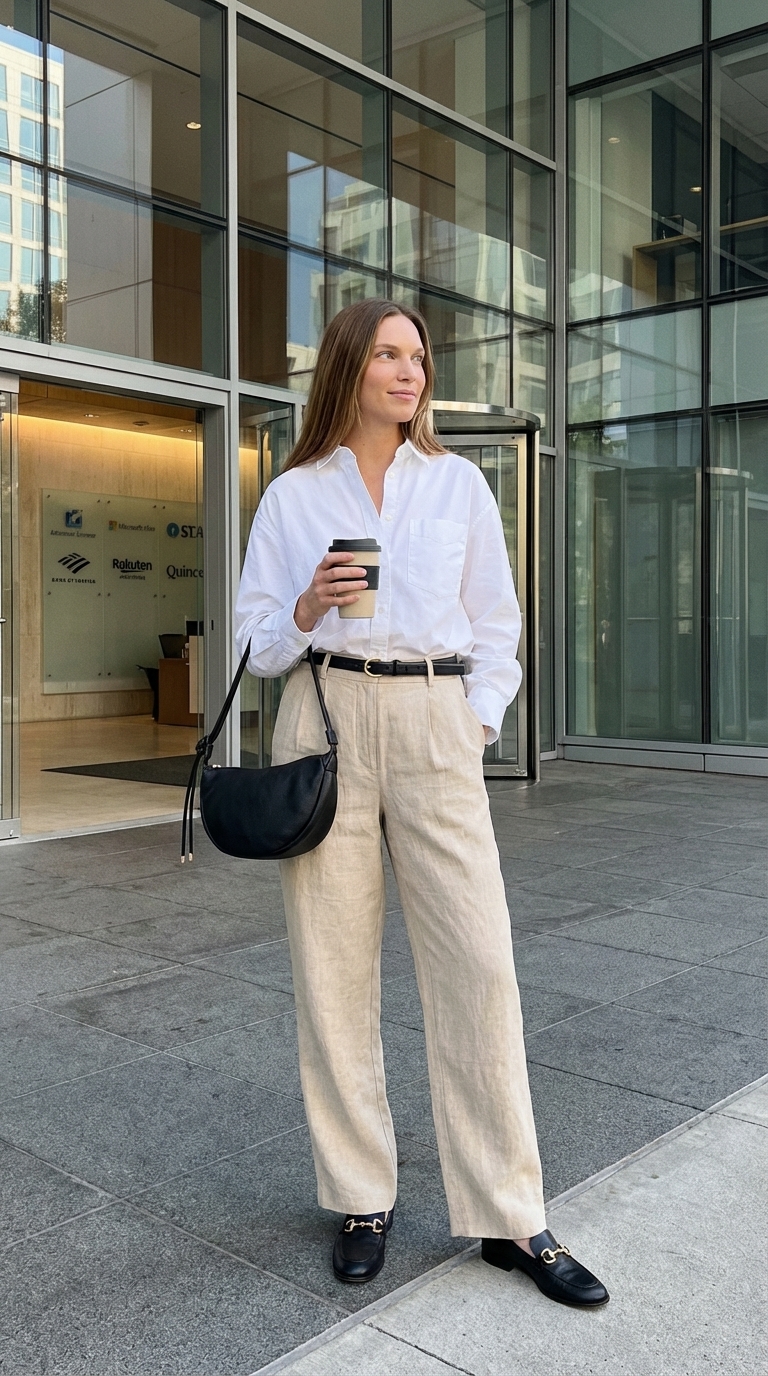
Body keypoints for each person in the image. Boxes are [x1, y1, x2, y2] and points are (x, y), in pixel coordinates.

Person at [235, 299, 608, 1309]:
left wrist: (475, 720)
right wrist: (306, 605)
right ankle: (362, 1196)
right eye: (389, 354)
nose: (410, 371)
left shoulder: (457, 484)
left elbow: (498, 622)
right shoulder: (294, 495)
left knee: (479, 965)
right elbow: (255, 642)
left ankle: (511, 1213)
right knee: (332, 970)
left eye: (418, 355)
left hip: (436, 722)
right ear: (347, 368)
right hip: (325, 719)